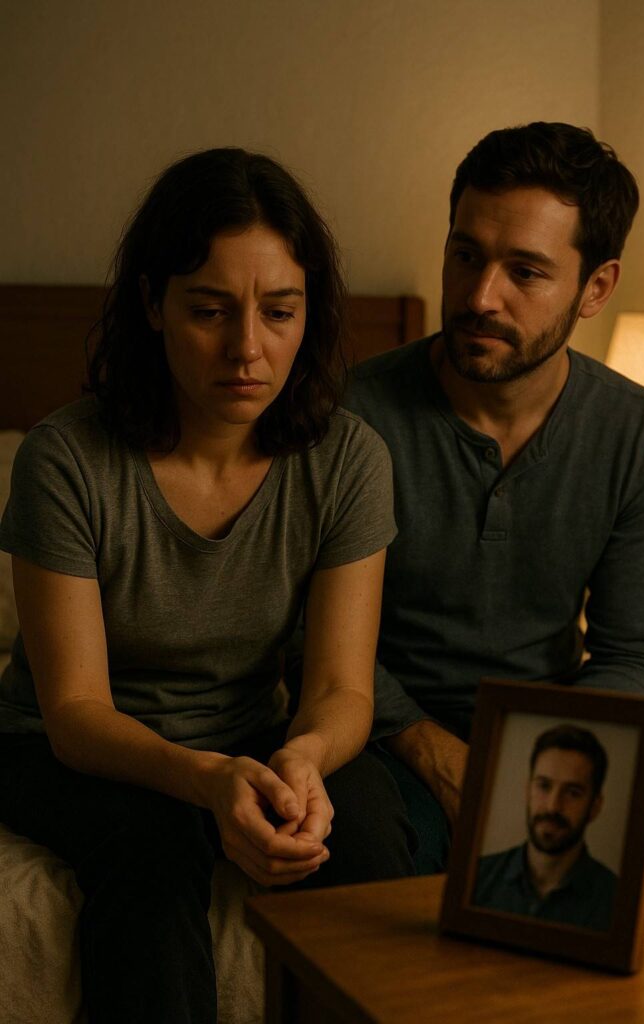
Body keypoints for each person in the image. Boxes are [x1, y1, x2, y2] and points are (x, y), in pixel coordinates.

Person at [0, 148, 416, 1024]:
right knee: (153, 844)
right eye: (210, 311)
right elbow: (74, 711)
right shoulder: (64, 461)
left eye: (279, 312)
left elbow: (342, 688)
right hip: (65, 748)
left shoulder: (347, 461)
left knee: (368, 827)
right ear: (152, 305)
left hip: (254, 729)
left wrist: (298, 762)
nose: (247, 350)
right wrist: (204, 780)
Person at [344, 121, 644, 868]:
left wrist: (547, 771)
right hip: (382, 729)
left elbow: (632, 655)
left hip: (555, 728)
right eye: (465, 256)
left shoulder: (641, 436)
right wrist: (430, 751)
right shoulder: (350, 417)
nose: (479, 296)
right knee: (368, 839)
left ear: (595, 287)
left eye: (524, 272)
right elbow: (305, 633)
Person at [474, 725, 617, 931]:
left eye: (573, 792)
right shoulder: (478, 877)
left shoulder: (615, 900)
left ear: (595, 806)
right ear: (527, 790)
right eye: (544, 786)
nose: (553, 806)